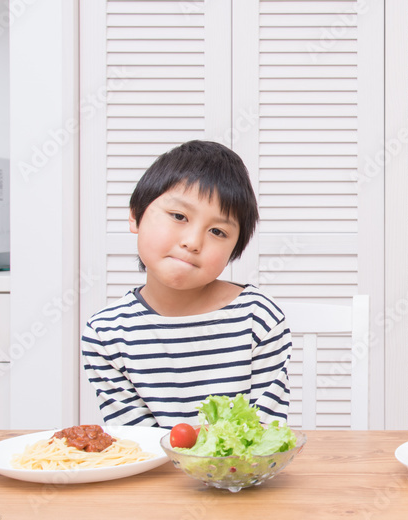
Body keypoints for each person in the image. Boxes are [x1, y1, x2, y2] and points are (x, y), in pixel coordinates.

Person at [81, 140, 291, 428]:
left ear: (235, 249)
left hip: (238, 473)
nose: (192, 242)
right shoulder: (106, 333)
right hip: (155, 473)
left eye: (217, 231)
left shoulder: (258, 318)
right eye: (179, 216)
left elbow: (265, 437)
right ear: (135, 215)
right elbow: (139, 443)